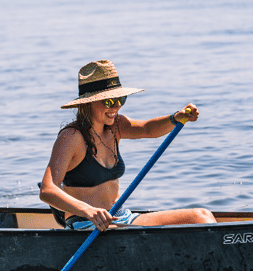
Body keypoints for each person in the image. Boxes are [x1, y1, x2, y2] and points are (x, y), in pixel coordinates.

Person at [39, 60, 216, 231]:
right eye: (109, 101)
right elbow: (47, 190)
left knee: (201, 216)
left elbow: (148, 129)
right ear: (88, 102)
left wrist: (175, 118)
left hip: (121, 217)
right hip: (86, 223)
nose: (116, 106)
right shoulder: (71, 137)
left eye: (120, 99)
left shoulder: (117, 127)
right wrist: (88, 210)